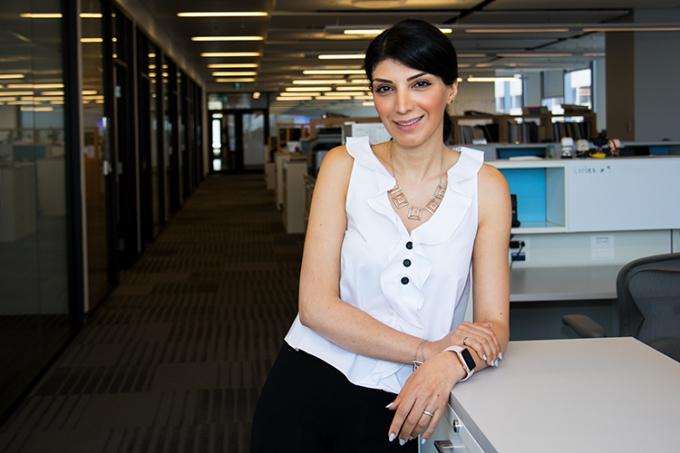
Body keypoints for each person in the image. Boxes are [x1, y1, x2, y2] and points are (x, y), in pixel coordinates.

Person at [251, 19, 510, 452]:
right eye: (384, 88)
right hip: (311, 379)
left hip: (404, 399)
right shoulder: (343, 166)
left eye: (420, 83)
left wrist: (450, 365)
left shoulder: (485, 185)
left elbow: (494, 325)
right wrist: (428, 350)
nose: (401, 105)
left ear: (451, 89)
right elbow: (315, 307)